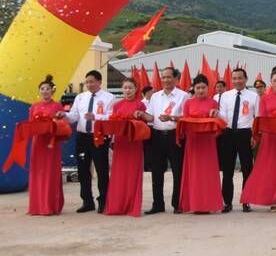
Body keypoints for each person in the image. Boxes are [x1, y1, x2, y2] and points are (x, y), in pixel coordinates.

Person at [58, 70, 115, 213]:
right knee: (83, 170)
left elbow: (112, 117)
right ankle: (87, 201)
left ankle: (104, 201)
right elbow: (74, 116)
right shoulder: (80, 97)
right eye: (87, 82)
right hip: (83, 137)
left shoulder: (109, 98)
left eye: (92, 81)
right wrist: (64, 115)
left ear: (99, 82)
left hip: (100, 136)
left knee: (101, 170)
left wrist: (96, 117)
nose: (89, 84)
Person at [242, 67, 276, 212]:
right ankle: (271, 200)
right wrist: (259, 134)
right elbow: (262, 118)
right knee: (269, 169)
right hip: (269, 137)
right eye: (274, 81)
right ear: (270, 82)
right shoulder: (264, 99)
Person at [145, 65, 189, 214]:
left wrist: (171, 117)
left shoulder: (183, 96)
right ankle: (158, 204)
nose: (166, 80)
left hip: (175, 136)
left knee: (178, 171)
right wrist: (139, 114)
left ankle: (177, 204)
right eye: (163, 77)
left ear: (176, 78)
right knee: (156, 172)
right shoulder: (155, 96)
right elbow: (151, 117)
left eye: (169, 77)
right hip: (157, 136)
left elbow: (186, 117)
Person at [104, 77, 149, 216]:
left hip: (134, 143)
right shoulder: (117, 105)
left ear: (136, 89)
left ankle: (132, 206)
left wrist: (141, 115)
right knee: (119, 174)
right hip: (120, 143)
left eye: (130, 88)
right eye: (125, 88)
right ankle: (117, 205)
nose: (127, 90)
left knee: (133, 174)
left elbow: (146, 121)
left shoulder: (140, 105)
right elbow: (113, 123)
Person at [179, 74, 224, 213]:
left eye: (203, 87)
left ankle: (208, 204)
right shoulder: (188, 103)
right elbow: (184, 121)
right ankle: (194, 204)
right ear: (194, 88)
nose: (200, 90)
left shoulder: (213, 102)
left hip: (208, 141)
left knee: (208, 173)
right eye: (197, 88)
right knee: (193, 172)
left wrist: (215, 114)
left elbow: (217, 120)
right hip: (193, 141)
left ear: (207, 88)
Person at [218, 67, 259, 213]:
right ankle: (227, 202)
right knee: (227, 170)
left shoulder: (253, 96)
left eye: (240, 78)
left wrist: (255, 136)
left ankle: (246, 201)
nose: (237, 81)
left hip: (245, 135)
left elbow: (257, 118)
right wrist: (216, 114)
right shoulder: (225, 96)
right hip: (228, 134)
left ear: (246, 79)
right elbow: (222, 116)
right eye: (234, 78)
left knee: (247, 169)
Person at [27, 79, 66, 215]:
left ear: (52, 91)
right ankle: (37, 206)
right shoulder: (34, 107)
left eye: (47, 89)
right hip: (38, 143)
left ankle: (50, 206)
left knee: (50, 172)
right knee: (37, 173)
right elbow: (30, 125)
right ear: (39, 91)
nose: (45, 91)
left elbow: (62, 125)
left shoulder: (57, 106)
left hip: (52, 144)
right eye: (42, 89)